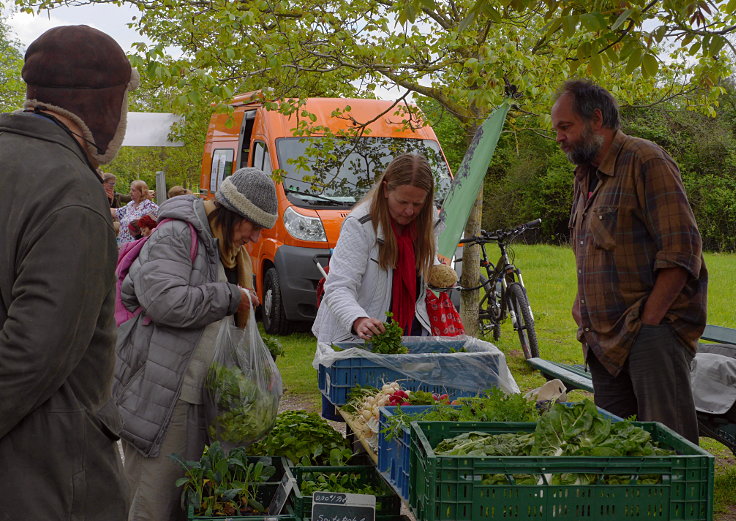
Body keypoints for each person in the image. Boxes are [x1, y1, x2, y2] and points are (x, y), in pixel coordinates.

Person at [0, 25, 137, 520]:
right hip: (47, 477)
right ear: (103, 104)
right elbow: (30, 356)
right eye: (125, 101)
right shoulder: (74, 195)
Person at [113, 167, 278, 521]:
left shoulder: (225, 247)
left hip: (192, 393)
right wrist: (230, 296)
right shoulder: (176, 234)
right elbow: (164, 301)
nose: (255, 237)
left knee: (182, 502)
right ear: (233, 213)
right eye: (254, 225)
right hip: (162, 393)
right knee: (152, 503)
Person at [551, 79, 708, 443]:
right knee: (609, 449)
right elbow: (591, 249)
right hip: (602, 341)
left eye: (565, 127)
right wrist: (581, 305)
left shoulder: (646, 160)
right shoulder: (584, 176)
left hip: (651, 335)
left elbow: (682, 249)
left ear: (597, 118)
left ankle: (675, 503)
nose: (558, 137)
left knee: (670, 449)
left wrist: (651, 321)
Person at [312, 153, 437, 344]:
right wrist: (358, 319)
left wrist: (438, 275)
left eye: (418, 204)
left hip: (409, 333)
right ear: (386, 189)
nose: (410, 210)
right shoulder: (360, 224)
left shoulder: (428, 222)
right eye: (403, 202)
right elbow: (338, 287)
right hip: (354, 338)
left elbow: (425, 272)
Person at [114, 179, 159, 245]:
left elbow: (157, 225)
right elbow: (116, 212)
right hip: (124, 245)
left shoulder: (151, 207)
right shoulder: (130, 205)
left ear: (142, 192)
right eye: (131, 190)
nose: (130, 192)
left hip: (139, 245)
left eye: (133, 190)